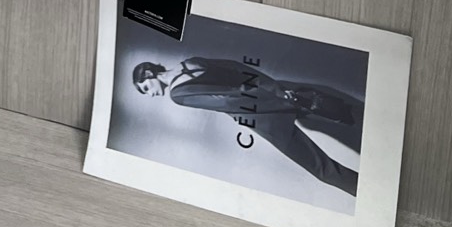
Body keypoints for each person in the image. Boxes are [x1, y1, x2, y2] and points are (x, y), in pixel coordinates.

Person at [132, 56, 363, 196]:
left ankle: (369, 196)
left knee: (323, 169)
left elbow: (228, 102)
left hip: (263, 116)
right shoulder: (190, 62)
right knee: (345, 112)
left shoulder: (177, 94)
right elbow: (238, 68)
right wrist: (277, 90)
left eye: (145, 88)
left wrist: (278, 103)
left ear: (149, 73)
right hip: (274, 92)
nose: (150, 94)